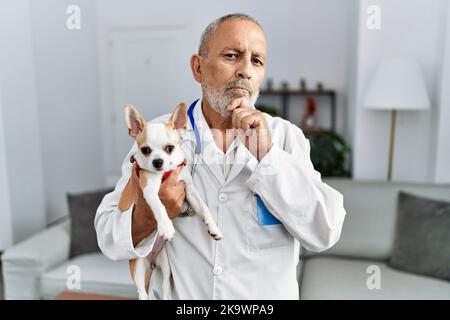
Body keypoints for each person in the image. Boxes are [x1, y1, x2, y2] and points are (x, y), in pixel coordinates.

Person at [95, 13, 346, 299]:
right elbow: (108, 237)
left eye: (257, 61)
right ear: (198, 68)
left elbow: (325, 231)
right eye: (232, 56)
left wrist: (268, 157)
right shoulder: (156, 138)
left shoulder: (285, 137)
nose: (245, 71)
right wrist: (152, 213)